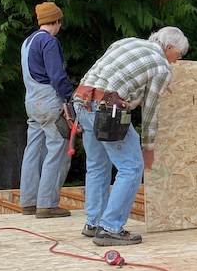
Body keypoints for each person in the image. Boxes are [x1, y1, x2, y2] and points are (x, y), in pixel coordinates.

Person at [73, 27, 189, 245]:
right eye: (178, 55)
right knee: (132, 167)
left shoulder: (126, 43)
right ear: (170, 47)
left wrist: (129, 102)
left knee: (97, 165)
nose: (175, 61)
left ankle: (94, 222)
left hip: (82, 102)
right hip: (107, 110)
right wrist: (148, 147)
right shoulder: (161, 67)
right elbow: (150, 110)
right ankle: (110, 228)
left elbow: (116, 82)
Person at [19, 1, 75, 218]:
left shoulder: (28, 42)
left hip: (31, 103)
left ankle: (29, 202)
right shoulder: (49, 42)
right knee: (58, 150)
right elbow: (57, 76)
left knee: (32, 150)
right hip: (48, 102)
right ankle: (47, 204)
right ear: (57, 21)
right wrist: (70, 100)